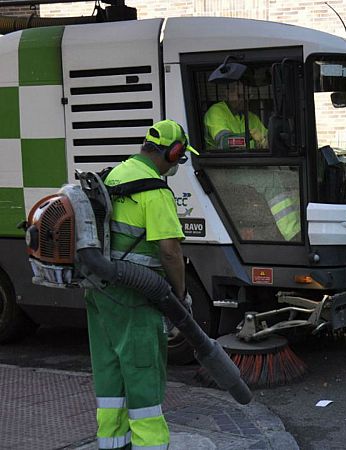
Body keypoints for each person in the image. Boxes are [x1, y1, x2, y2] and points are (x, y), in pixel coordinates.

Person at [84, 119, 198, 449]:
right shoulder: (154, 190)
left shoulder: (112, 176)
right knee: (143, 382)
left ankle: (112, 443)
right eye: (180, 157)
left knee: (110, 378)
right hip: (136, 300)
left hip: (100, 295)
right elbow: (170, 252)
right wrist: (180, 296)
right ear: (174, 153)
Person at [203, 83, 268, 150]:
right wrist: (249, 135)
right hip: (224, 159)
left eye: (247, 96)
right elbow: (224, 142)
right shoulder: (216, 112)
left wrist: (266, 142)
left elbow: (267, 137)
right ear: (227, 93)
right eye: (239, 96)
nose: (244, 100)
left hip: (249, 159)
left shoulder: (252, 117)